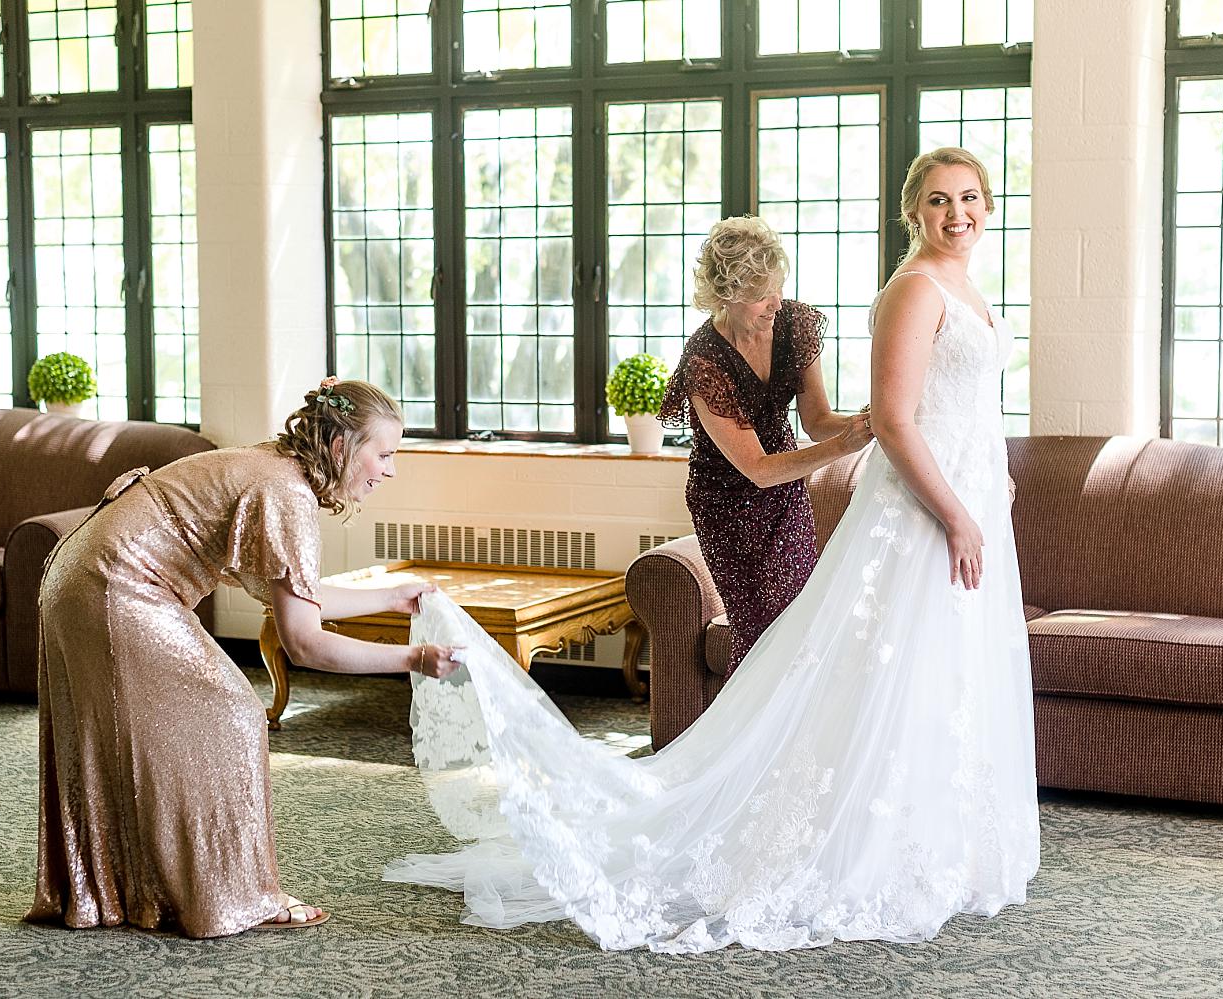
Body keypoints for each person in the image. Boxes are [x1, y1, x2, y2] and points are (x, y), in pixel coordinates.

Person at [383, 148, 1039, 952]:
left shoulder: (865, 306)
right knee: (783, 654)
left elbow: (896, 414)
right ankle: (759, 809)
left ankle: (915, 831)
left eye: (970, 197)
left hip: (881, 491)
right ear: (913, 212)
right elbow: (793, 455)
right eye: (939, 200)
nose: (958, 213)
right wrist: (918, 476)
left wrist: (983, 478)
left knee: (849, 659)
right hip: (739, 500)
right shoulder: (768, 340)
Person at [27, 378, 462, 938]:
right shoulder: (287, 494)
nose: (391, 469)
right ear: (339, 448)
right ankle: (238, 897)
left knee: (131, 733)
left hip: (81, 572)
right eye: (385, 453)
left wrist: (394, 597)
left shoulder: (275, 469)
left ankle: (124, 891)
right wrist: (413, 658)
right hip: (115, 584)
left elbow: (296, 593)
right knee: (231, 716)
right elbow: (305, 642)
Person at [659, 215, 873, 672]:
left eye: (777, 286)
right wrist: (844, 447)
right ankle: (746, 737)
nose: (776, 301)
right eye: (760, 294)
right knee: (757, 629)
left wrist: (868, 423)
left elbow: (816, 421)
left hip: (787, 493)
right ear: (726, 296)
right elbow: (756, 468)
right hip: (727, 505)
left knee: (798, 622)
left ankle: (796, 739)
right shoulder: (704, 363)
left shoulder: (793, 324)